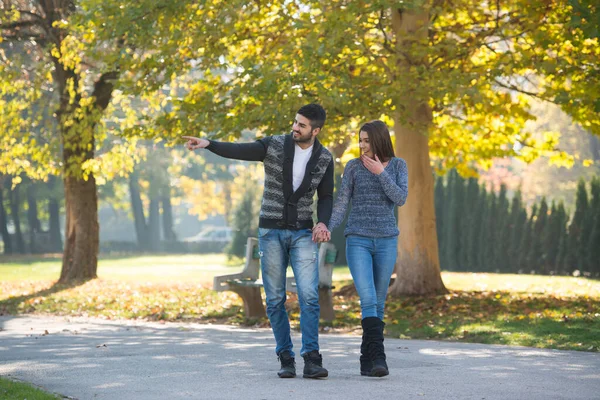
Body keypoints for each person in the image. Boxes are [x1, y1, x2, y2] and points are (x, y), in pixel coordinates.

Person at [183, 104, 334, 379]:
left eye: (302, 125)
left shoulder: (324, 157)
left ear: (316, 130)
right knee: (275, 298)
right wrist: (208, 144)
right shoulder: (274, 145)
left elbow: (325, 197)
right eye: (295, 122)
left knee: (309, 297)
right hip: (271, 232)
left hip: (303, 232)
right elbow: (240, 150)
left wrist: (323, 222)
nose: (295, 127)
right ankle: (285, 356)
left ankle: (312, 358)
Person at [313, 120, 408, 377]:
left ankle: (367, 359)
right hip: (358, 239)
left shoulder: (398, 165)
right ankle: (379, 357)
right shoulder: (353, 167)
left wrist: (381, 172)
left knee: (378, 301)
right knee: (367, 298)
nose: (362, 145)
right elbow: (342, 203)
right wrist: (327, 226)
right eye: (360, 140)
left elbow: (400, 198)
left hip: (387, 239)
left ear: (379, 140)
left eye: (367, 140)